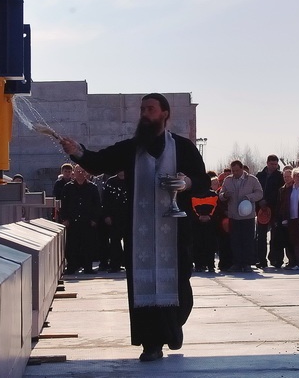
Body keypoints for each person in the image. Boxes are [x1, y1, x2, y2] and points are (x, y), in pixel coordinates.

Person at [59, 93, 210, 362]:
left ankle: (173, 327)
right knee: (144, 284)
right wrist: (77, 151)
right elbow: (100, 161)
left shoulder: (183, 147)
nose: (144, 113)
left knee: (179, 284)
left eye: (150, 109)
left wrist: (186, 183)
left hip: (175, 230)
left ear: (164, 113)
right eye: (142, 109)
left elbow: (202, 182)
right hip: (139, 231)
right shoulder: (131, 148)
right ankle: (151, 344)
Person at [219, 160, 264, 273]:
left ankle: (247, 263)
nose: (235, 173)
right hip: (233, 215)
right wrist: (225, 195)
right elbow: (220, 195)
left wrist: (249, 197)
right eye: (233, 171)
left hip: (247, 216)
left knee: (247, 240)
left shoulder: (252, 179)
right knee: (235, 240)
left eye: (237, 170)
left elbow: (259, 193)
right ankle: (237, 263)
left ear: (242, 169)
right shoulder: (228, 180)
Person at [60, 165, 102, 275]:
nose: (80, 173)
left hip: (87, 221)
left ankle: (88, 267)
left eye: (83, 171)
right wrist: (65, 219)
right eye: (78, 171)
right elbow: (63, 205)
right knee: (72, 245)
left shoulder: (92, 187)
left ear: (86, 173)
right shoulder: (68, 187)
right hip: (72, 221)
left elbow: (97, 205)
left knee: (88, 246)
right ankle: (71, 267)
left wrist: (94, 219)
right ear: (74, 173)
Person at [255, 154, 284, 268]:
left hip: (274, 208)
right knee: (261, 236)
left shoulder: (280, 176)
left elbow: (279, 192)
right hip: (261, 209)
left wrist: (267, 201)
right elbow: (255, 190)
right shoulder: (260, 175)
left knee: (275, 235)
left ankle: (275, 259)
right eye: (272, 164)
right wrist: (260, 201)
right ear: (267, 163)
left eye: (276, 164)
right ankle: (261, 260)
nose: (274, 166)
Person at [190, 177, 220, 273]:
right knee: (198, 244)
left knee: (209, 244)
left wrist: (209, 217)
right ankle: (200, 264)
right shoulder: (192, 195)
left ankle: (209, 264)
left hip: (209, 224)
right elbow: (191, 209)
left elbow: (217, 208)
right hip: (197, 224)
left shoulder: (214, 195)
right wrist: (199, 217)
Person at [102, 171, 128, 273]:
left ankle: (128, 264)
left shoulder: (131, 180)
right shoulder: (110, 182)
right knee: (114, 241)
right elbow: (105, 200)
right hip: (114, 217)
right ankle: (115, 265)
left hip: (128, 216)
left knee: (129, 242)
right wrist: (106, 215)